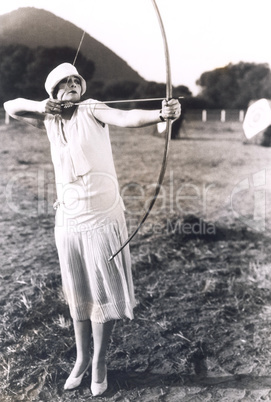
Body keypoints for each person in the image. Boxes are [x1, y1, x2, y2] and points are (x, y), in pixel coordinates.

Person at [4, 62, 181, 396]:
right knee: (78, 294)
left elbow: (128, 118)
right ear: (54, 93)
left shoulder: (92, 108)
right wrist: (39, 106)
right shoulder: (50, 118)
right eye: (65, 82)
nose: (72, 84)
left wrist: (162, 114)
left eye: (76, 81)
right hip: (68, 220)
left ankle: (99, 363)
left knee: (103, 293)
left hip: (102, 216)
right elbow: (10, 106)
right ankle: (81, 360)